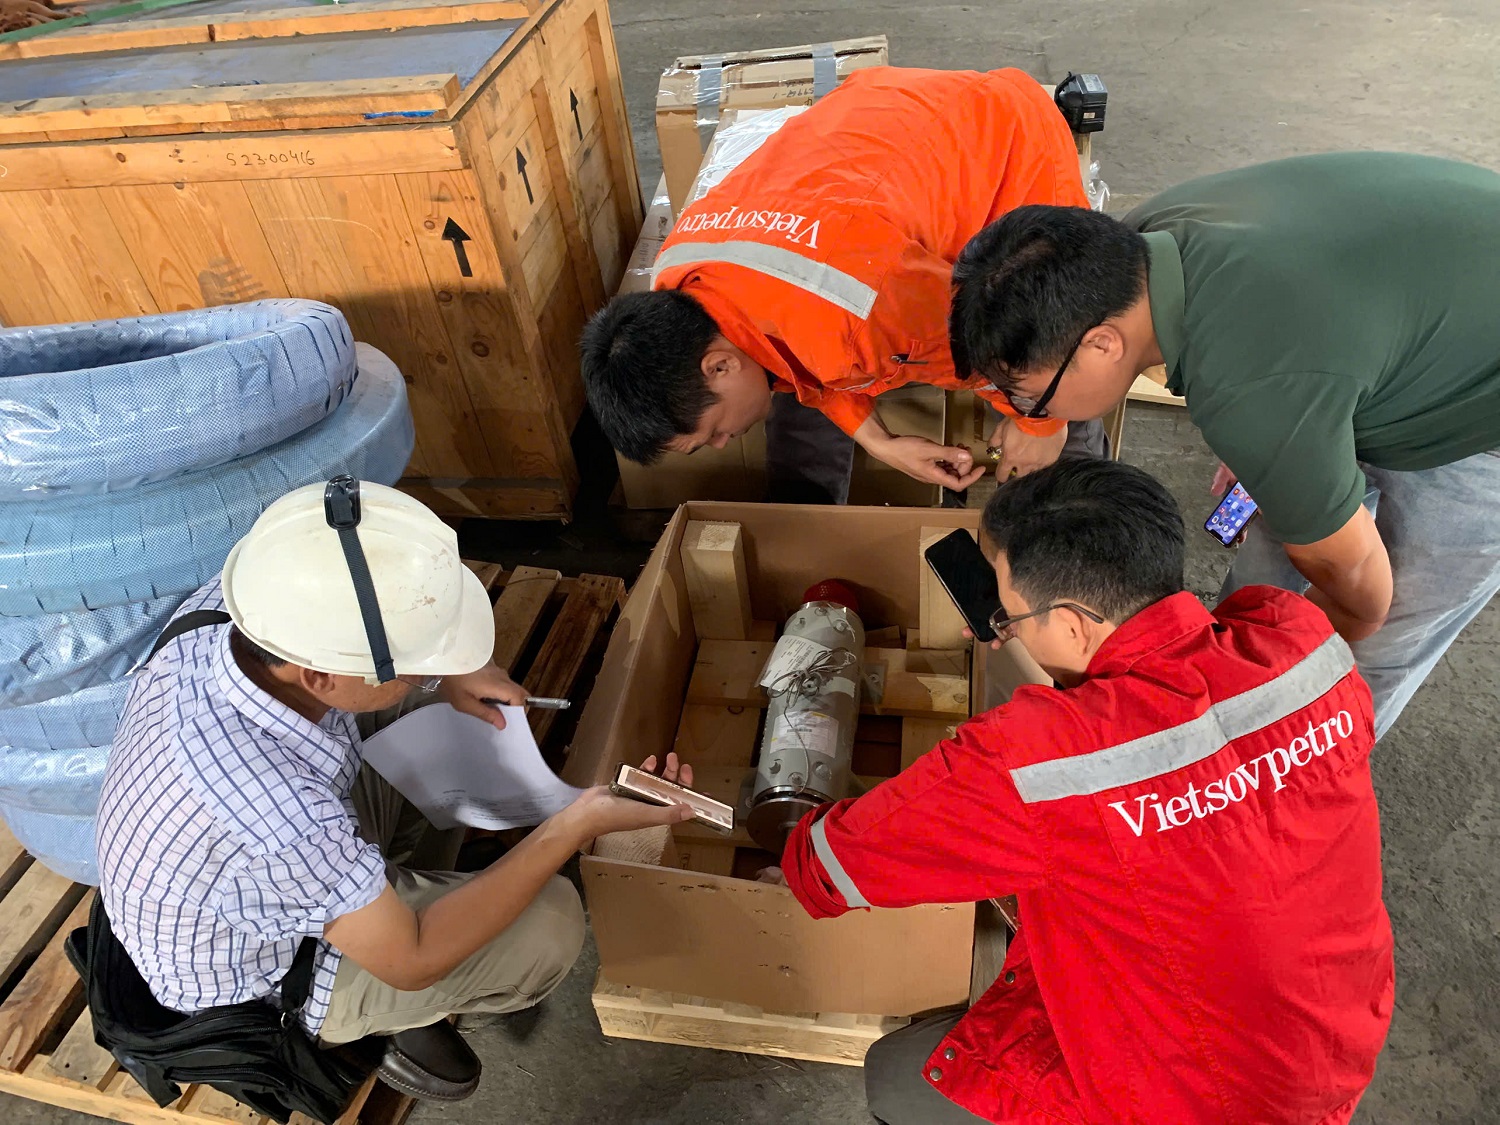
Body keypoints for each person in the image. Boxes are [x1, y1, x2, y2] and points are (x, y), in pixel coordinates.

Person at [778, 459, 1394, 1125]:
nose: (1006, 627)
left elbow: (826, 868)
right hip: (1337, 1039)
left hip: (1204, 1104)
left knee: (895, 1077)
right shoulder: (1298, 639)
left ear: (1073, 624)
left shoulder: (1038, 761)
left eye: (1012, 613)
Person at [95, 478, 694, 1103]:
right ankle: (368, 1018)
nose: (424, 671)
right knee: (550, 924)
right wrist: (573, 825)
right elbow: (413, 958)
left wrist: (452, 671)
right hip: (265, 977)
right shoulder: (278, 816)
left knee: (433, 716)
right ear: (319, 674)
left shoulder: (254, 605)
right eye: (410, 662)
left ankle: (384, 901)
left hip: (244, 870)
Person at [946, 152, 1500, 737]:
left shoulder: (1257, 389)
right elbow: (1284, 354)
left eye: (1030, 396)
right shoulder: (1137, 245)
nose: (1030, 410)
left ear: (1102, 345)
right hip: (1413, 296)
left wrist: (1282, 694)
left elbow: (1364, 598)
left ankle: (1307, 772)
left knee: (1371, 652)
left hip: (1479, 405)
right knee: (1272, 570)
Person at [582, 66, 1103, 504]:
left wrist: (1042, 426)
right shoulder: (680, 272)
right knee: (786, 382)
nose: (723, 442)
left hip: (1006, 141)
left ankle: (1091, 523)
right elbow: (802, 368)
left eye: (713, 432)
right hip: (879, 107)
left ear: (719, 366)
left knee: (1066, 360)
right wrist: (879, 442)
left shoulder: (862, 313)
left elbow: (1007, 345)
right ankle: (812, 531)